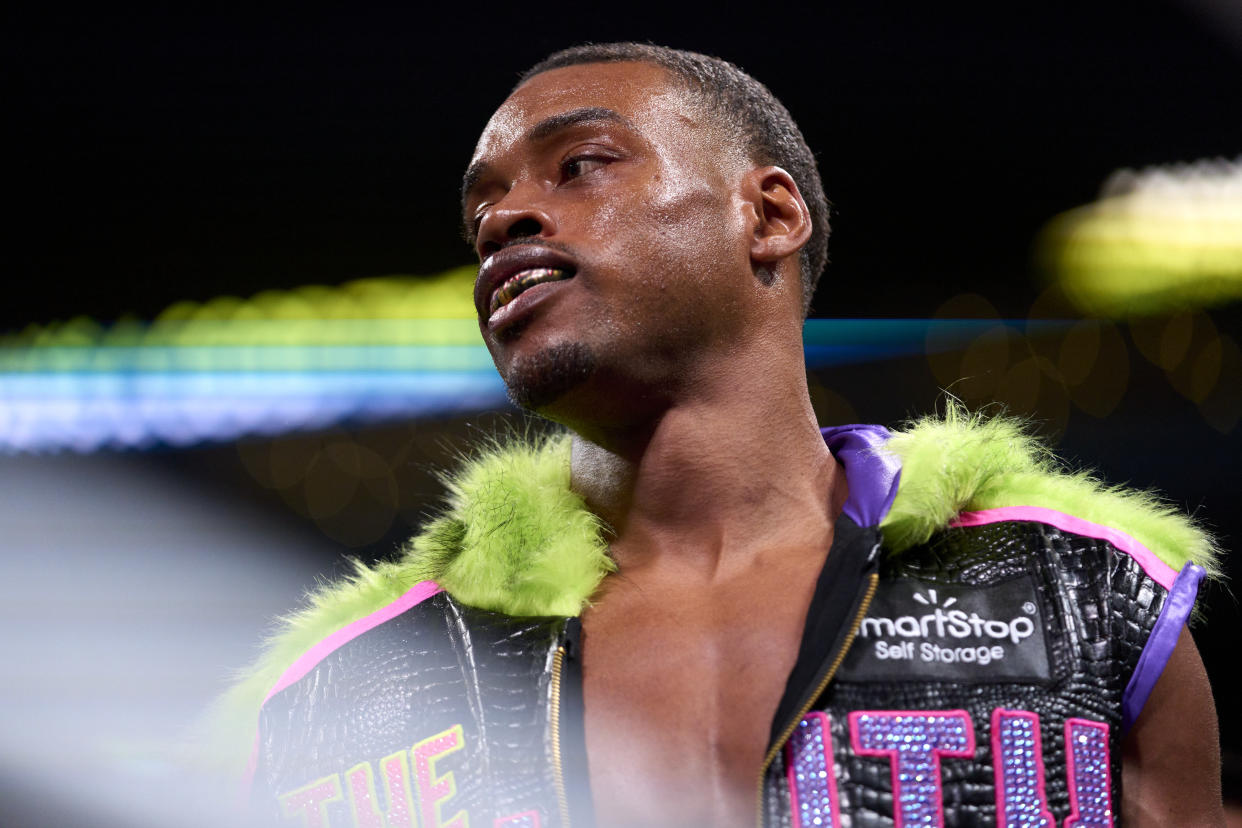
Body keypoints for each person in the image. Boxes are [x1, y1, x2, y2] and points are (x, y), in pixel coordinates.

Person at [217, 44, 1225, 826]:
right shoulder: (340, 701)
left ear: (770, 214)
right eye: (485, 206)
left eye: (579, 165)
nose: (506, 218)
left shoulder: (1087, 603)